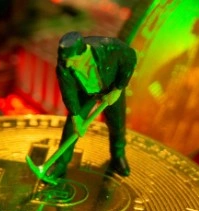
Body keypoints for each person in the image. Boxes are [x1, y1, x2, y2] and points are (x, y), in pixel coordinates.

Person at [48, 32, 137, 180]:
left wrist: (118, 88)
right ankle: (61, 163)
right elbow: (68, 91)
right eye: (65, 60)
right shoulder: (64, 64)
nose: (68, 64)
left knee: (118, 125)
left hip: (111, 90)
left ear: (83, 53)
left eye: (72, 60)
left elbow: (130, 57)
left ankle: (118, 156)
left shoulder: (109, 47)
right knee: (71, 128)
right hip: (85, 92)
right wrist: (76, 116)